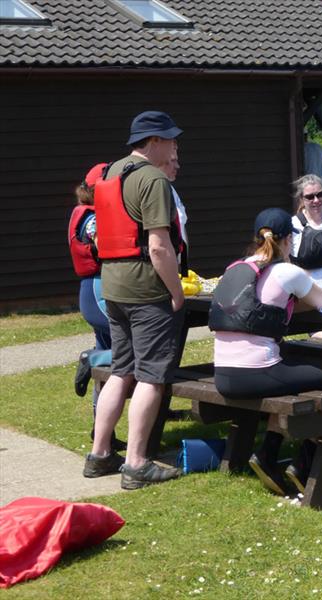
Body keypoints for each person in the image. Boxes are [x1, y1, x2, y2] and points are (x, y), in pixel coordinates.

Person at [83, 110, 186, 490]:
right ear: (154, 142)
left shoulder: (110, 173)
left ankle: (99, 454)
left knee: (121, 370)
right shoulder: (153, 179)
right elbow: (159, 246)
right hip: (146, 290)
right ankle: (137, 463)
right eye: (171, 139)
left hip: (112, 287)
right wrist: (175, 292)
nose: (176, 145)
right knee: (151, 376)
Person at [213, 208, 322, 496]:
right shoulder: (286, 271)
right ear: (288, 240)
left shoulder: (235, 268)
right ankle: (304, 462)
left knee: (294, 371)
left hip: (223, 374)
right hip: (256, 373)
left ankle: (269, 453)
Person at [68, 163, 125, 451]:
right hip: (98, 289)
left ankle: (102, 432)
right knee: (132, 351)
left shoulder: (87, 214)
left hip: (94, 289)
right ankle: (89, 359)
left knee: (110, 366)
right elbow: (104, 244)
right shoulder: (91, 218)